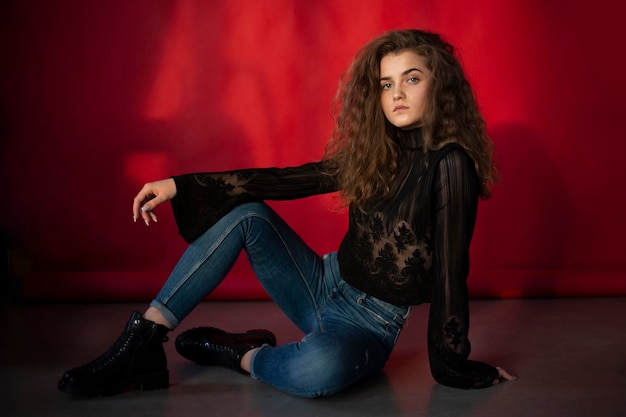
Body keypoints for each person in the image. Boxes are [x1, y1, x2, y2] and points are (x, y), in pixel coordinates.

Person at [58, 29, 516, 398]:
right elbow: (287, 179)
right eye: (386, 83)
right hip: (320, 283)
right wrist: (180, 184)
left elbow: (452, 271)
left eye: (412, 79)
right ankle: (143, 342)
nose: (396, 93)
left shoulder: (451, 163)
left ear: (440, 84)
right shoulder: (379, 150)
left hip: (371, 325)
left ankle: (241, 354)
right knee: (247, 214)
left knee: (318, 372)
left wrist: (453, 364)